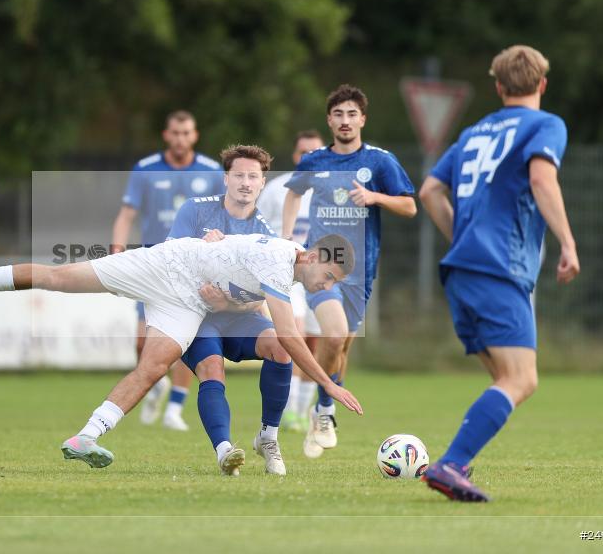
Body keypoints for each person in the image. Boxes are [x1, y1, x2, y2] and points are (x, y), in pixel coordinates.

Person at [0, 230, 364, 471]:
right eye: (328, 277)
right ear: (314, 256)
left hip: (186, 301)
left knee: (154, 367)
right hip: (163, 266)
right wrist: (328, 385)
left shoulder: (285, 265)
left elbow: (233, 257)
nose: (326, 287)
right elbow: (287, 335)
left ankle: (85, 437)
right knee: (59, 278)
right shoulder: (281, 260)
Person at [418, 45, 579, 502]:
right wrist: (567, 242)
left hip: (462, 272)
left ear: (498, 86)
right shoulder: (546, 125)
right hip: (499, 269)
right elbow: (542, 180)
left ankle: (458, 463)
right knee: (521, 379)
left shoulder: (473, 132)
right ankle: (449, 464)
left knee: (506, 378)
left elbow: (430, 190)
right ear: (542, 85)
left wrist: (463, 240)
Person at [282, 85, 417, 458]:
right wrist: (287, 238)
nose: (345, 121)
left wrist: (376, 198)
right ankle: (324, 411)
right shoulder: (313, 160)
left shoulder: (380, 161)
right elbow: (293, 193)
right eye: (338, 114)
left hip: (362, 271)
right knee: (336, 331)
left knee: (340, 344)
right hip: (320, 266)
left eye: (351, 114)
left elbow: (409, 206)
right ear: (329, 120)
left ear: (363, 119)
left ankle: (322, 408)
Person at [167, 145, 294, 475]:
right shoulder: (195, 211)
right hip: (197, 314)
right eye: (238, 175)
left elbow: (261, 297)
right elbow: (168, 263)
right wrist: (201, 249)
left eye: (253, 176)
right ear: (225, 178)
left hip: (239, 316)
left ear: (263, 182)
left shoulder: (264, 233)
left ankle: (268, 438)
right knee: (211, 368)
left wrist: (229, 302)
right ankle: (225, 451)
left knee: (281, 348)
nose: (245, 182)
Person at [111, 110, 224, 431]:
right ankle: (154, 383)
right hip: (153, 268)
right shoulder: (146, 169)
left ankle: (174, 409)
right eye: (175, 133)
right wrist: (117, 251)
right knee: (142, 342)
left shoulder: (211, 171)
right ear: (166, 135)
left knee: (185, 340)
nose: (180, 139)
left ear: (195, 135)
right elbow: (126, 214)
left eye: (186, 133)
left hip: (194, 269)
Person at [256, 130, 326, 433]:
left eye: (314, 152)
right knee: (293, 331)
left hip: (320, 277)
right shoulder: (275, 190)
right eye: (302, 153)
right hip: (286, 274)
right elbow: (259, 228)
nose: (308, 157)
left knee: (317, 340)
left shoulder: (331, 190)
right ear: (295, 156)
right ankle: (288, 410)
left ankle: (302, 407)